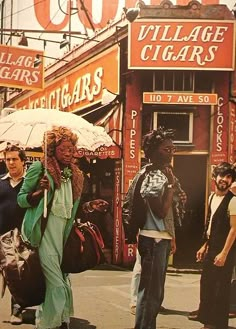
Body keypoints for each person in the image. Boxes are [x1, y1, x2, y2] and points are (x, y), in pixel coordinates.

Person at [17, 126, 108, 329]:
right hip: (43, 234)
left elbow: (71, 210)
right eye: (63, 148)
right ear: (52, 149)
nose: (68, 153)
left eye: (71, 148)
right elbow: (21, 199)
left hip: (64, 237)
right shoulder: (39, 169)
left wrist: (89, 206)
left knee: (61, 281)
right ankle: (51, 324)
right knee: (56, 283)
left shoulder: (76, 175)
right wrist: (39, 192)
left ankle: (58, 321)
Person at [123, 128, 185, 329]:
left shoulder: (149, 171)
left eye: (173, 148)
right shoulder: (157, 174)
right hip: (154, 240)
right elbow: (160, 210)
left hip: (156, 238)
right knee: (151, 294)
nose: (171, 152)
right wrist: (170, 188)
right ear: (154, 150)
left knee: (151, 292)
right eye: (167, 149)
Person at [192, 162, 236, 329]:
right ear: (214, 177)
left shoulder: (233, 201)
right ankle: (207, 320)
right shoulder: (211, 197)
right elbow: (210, 224)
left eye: (228, 177)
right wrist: (204, 245)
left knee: (220, 287)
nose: (224, 179)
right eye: (222, 175)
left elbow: (234, 229)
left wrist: (224, 253)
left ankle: (218, 324)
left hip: (225, 249)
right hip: (212, 247)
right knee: (207, 284)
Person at [0, 144, 27, 325]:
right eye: (7, 159)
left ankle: (16, 310)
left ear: (23, 161)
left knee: (16, 274)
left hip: (20, 238)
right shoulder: (1, 182)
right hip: (0, 235)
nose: (11, 163)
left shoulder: (30, 183)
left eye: (14, 159)